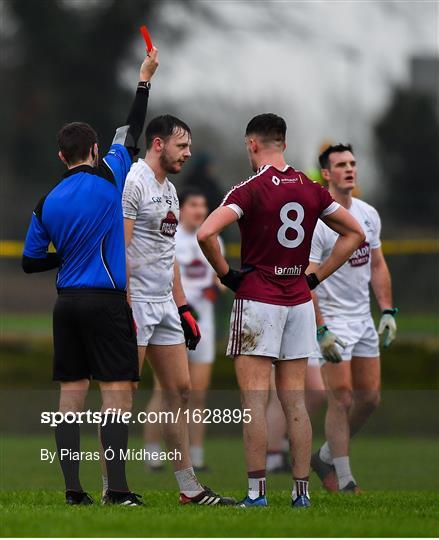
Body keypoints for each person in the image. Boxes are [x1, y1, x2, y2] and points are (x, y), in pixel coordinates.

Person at [197, 113, 365, 508]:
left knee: (255, 400)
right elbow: (354, 232)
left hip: (258, 301)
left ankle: (257, 495)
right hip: (300, 301)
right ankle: (301, 494)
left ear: (252, 145)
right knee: (294, 401)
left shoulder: (249, 188)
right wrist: (317, 276)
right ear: (284, 144)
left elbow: (205, 232)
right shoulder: (310, 188)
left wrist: (226, 275)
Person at [21, 49, 159, 506]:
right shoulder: (110, 173)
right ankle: (117, 489)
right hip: (105, 301)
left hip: (66, 305)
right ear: (95, 149)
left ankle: (73, 491)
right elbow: (134, 128)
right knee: (117, 392)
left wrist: (65, 258)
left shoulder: (47, 200)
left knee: (71, 395)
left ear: (61, 156)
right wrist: (144, 79)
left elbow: (29, 261)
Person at [122, 116, 235, 506]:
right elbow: (122, 250)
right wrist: (124, 302)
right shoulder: (133, 181)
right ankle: (113, 489)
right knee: (123, 394)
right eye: (182, 146)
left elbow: (167, 256)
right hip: (135, 304)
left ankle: (189, 488)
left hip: (166, 305)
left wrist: (183, 307)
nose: (187, 153)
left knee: (181, 390)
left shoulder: (170, 191)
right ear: (158, 144)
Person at [309, 143, 397, 493]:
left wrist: (387, 310)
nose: (350, 169)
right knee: (341, 397)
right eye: (341, 165)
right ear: (326, 174)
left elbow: (377, 265)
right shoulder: (319, 223)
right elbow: (307, 277)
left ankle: (327, 454)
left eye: (353, 163)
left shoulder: (368, 214)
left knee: (370, 398)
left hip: (363, 319)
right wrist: (320, 329)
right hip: (333, 319)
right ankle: (345, 480)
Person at [142, 188, 224, 473]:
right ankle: (152, 451)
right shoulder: (171, 237)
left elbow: (216, 281)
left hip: (205, 323)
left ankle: (196, 454)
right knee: (165, 390)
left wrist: (216, 289)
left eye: (203, 204)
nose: (199, 210)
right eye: (194, 204)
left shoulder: (214, 238)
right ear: (181, 208)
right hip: (174, 319)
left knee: (198, 394)